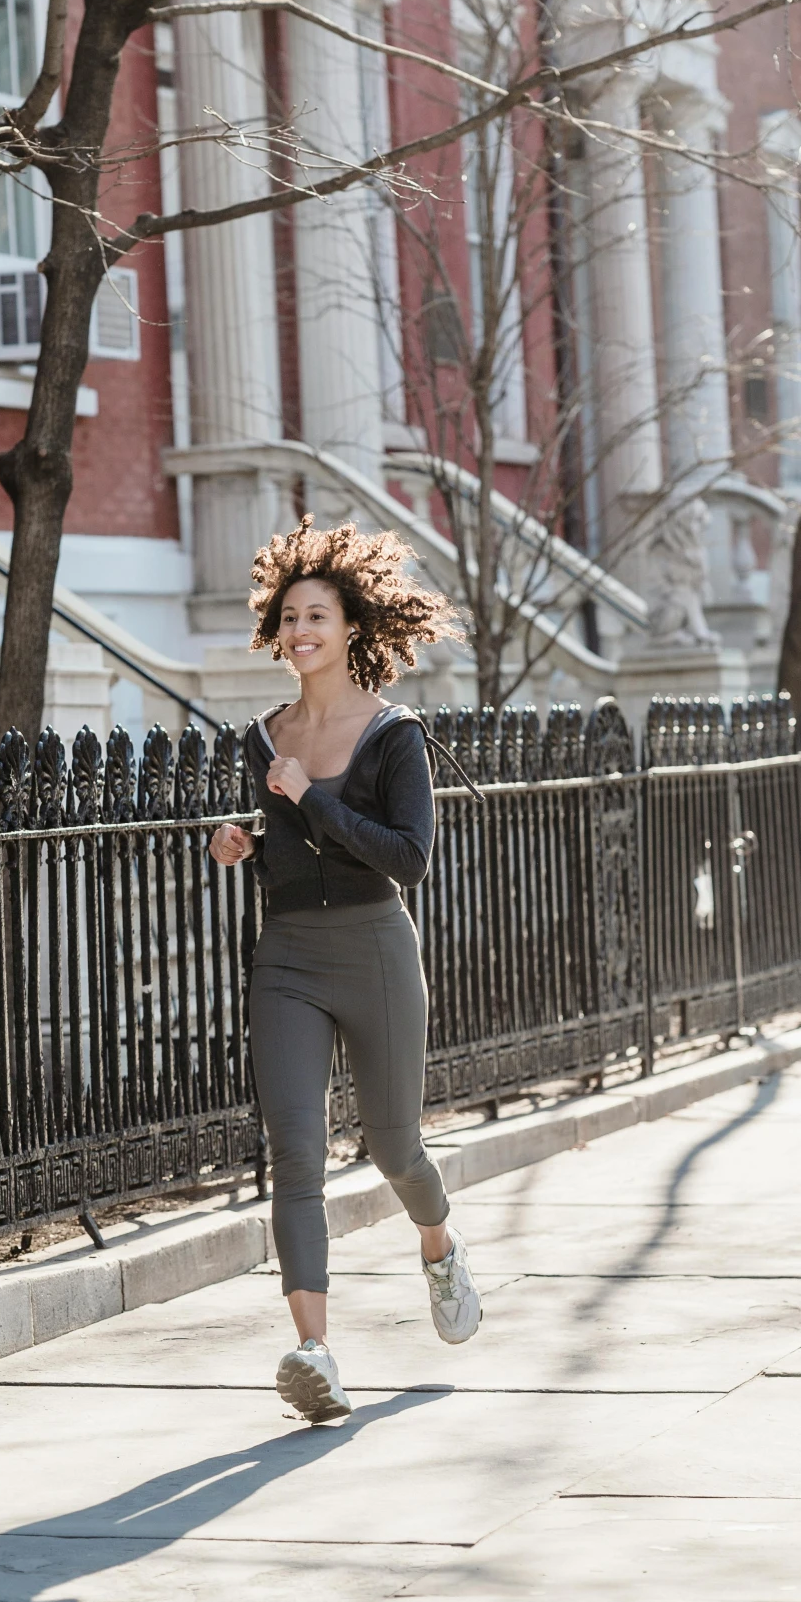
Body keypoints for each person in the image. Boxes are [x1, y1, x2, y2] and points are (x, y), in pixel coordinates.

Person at [209, 518, 481, 1423]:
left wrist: (308, 798)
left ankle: (438, 1246)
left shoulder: (393, 736)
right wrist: (244, 836)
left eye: (316, 616)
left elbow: (406, 859)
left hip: (373, 949)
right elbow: (283, 829)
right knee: (293, 1152)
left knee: (394, 1145)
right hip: (287, 953)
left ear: (352, 627)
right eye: (287, 618)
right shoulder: (266, 735)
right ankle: (313, 1351)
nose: (299, 633)